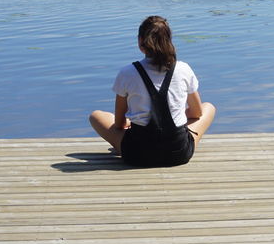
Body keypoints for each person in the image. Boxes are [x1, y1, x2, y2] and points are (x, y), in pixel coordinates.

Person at [89, 16, 216, 166]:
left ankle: (122, 146)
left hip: (137, 154)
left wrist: (134, 120)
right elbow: (196, 113)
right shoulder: (184, 69)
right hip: (178, 153)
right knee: (208, 108)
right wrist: (179, 115)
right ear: (169, 41)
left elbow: (119, 124)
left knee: (95, 116)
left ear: (140, 42)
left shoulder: (127, 73)